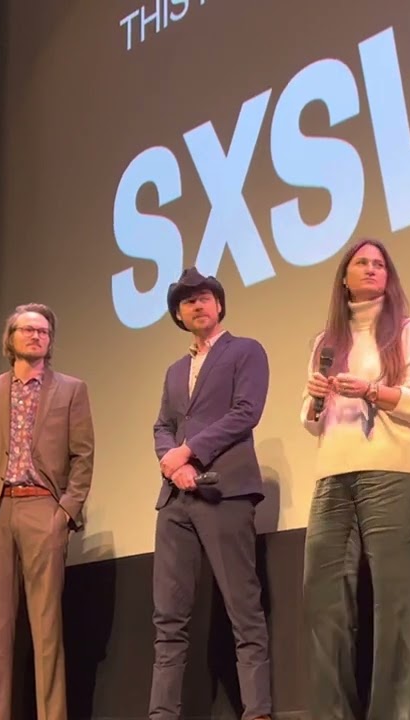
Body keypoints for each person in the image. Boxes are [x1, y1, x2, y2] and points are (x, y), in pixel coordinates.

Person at [300, 238, 410, 720]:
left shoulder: (407, 331)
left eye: (379, 264)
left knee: (394, 603)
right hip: (332, 475)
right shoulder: (327, 341)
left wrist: (372, 391)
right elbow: (310, 421)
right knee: (323, 602)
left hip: (391, 471)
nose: (372, 269)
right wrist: (315, 398)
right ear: (344, 276)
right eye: (362, 262)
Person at [0, 302, 95, 720]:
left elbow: (83, 457)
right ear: (10, 339)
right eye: (28, 330)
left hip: (42, 509)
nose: (37, 336)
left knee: (47, 630)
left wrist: (65, 514)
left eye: (44, 331)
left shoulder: (71, 389)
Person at [149, 267, 273, 720]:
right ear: (178, 315)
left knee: (242, 606)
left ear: (219, 305)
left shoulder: (245, 350)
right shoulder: (175, 370)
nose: (197, 305)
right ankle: (162, 713)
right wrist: (174, 463)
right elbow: (163, 426)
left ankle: (257, 711)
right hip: (175, 499)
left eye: (204, 297)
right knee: (169, 616)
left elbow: (246, 412)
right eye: (188, 301)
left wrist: (188, 452)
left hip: (226, 490)